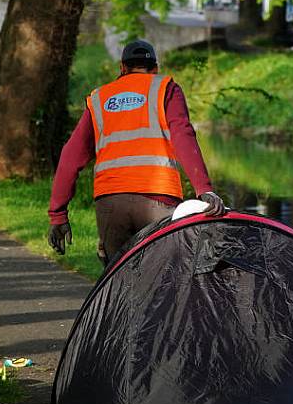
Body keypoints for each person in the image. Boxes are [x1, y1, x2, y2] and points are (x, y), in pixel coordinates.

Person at [47, 39, 226, 265]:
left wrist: (58, 214)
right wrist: (204, 189)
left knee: (119, 280)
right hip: (157, 200)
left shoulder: (99, 98)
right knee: (160, 280)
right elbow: (183, 136)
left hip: (111, 203)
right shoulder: (165, 88)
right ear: (155, 69)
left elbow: (70, 156)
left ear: (122, 68)